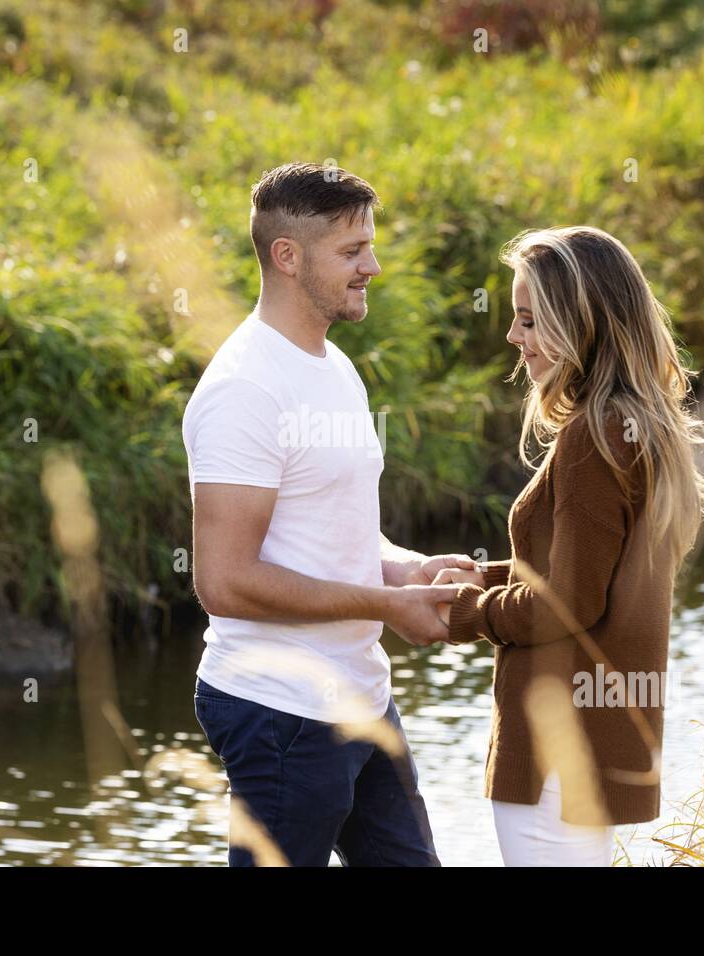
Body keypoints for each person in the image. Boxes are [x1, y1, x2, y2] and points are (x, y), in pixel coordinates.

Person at [184, 162, 469, 866]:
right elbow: (223, 582)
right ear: (287, 257)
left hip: (362, 697)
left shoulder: (333, 367)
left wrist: (408, 570)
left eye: (368, 246)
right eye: (351, 252)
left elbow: (330, 533)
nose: (372, 266)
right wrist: (386, 603)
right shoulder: (245, 389)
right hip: (281, 712)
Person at [435, 226, 704, 866]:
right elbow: (587, 573)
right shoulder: (636, 425)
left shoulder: (592, 438)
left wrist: (465, 613)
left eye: (530, 320)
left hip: (554, 752)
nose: (515, 337)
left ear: (580, 324)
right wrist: (483, 578)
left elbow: (567, 604)